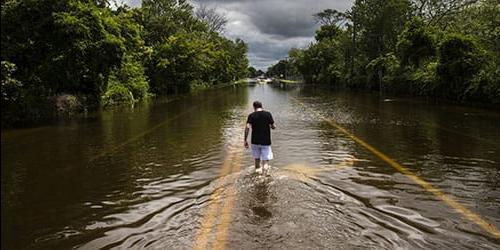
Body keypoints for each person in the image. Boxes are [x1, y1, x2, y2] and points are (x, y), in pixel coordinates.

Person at [244, 101, 276, 175]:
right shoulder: (268, 114)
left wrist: (245, 140)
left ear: (254, 107)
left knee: (257, 159)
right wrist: (272, 126)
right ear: (262, 106)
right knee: (265, 161)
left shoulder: (251, 115)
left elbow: (247, 127)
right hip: (265, 141)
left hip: (254, 141)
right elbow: (273, 126)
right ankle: (264, 177)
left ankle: (257, 174)